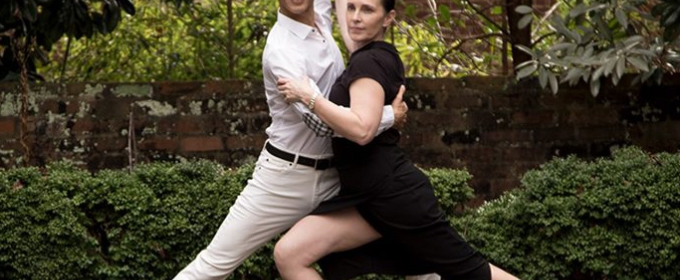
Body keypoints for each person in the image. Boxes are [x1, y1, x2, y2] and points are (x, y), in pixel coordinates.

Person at [273, 0, 520, 279]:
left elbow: (362, 129)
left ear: (388, 17)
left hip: (394, 195)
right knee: (290, 254)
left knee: (472, 272)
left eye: (367, 10)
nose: (355, 17)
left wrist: (309, 96)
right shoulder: (369, 54)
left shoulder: (370, 61)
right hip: (365, 198)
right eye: (351, 7)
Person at [172, 0, 412, 279]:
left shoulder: (321, 13)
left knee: (404, 219)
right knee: (215, 264)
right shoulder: (281, 50)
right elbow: (321, 125)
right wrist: (387, 116)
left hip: (338, 173)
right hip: (286, 177)